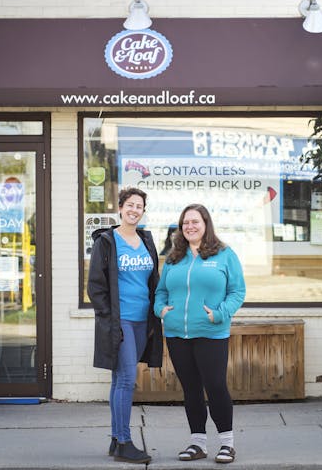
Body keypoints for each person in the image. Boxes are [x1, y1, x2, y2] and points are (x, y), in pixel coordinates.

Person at [154, 204, 246, 464]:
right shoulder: (174, 257)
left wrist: (219, 314)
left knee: (215, 386)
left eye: (195, 221)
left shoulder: (224, 255)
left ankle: (227, 443)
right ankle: (198, 443)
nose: (190, 226)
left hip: (211, 332)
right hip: (176, 334)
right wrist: (161, 310)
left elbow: (237, 291)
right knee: (191, 389)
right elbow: (161, 291)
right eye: (185, 223)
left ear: (206, 224)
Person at [88, 187, 162, 464]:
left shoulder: (146, 240)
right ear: (120, 208)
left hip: (144, 321)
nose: (134, 210)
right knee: (127, 380)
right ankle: (124, 441)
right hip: (121, 322)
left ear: (143, 211)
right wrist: (110, 321)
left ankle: (115, 439)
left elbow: (153, 279)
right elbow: (95, 287)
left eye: (139, 206)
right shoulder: (107, 241)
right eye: (130, 205)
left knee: (120, 379)